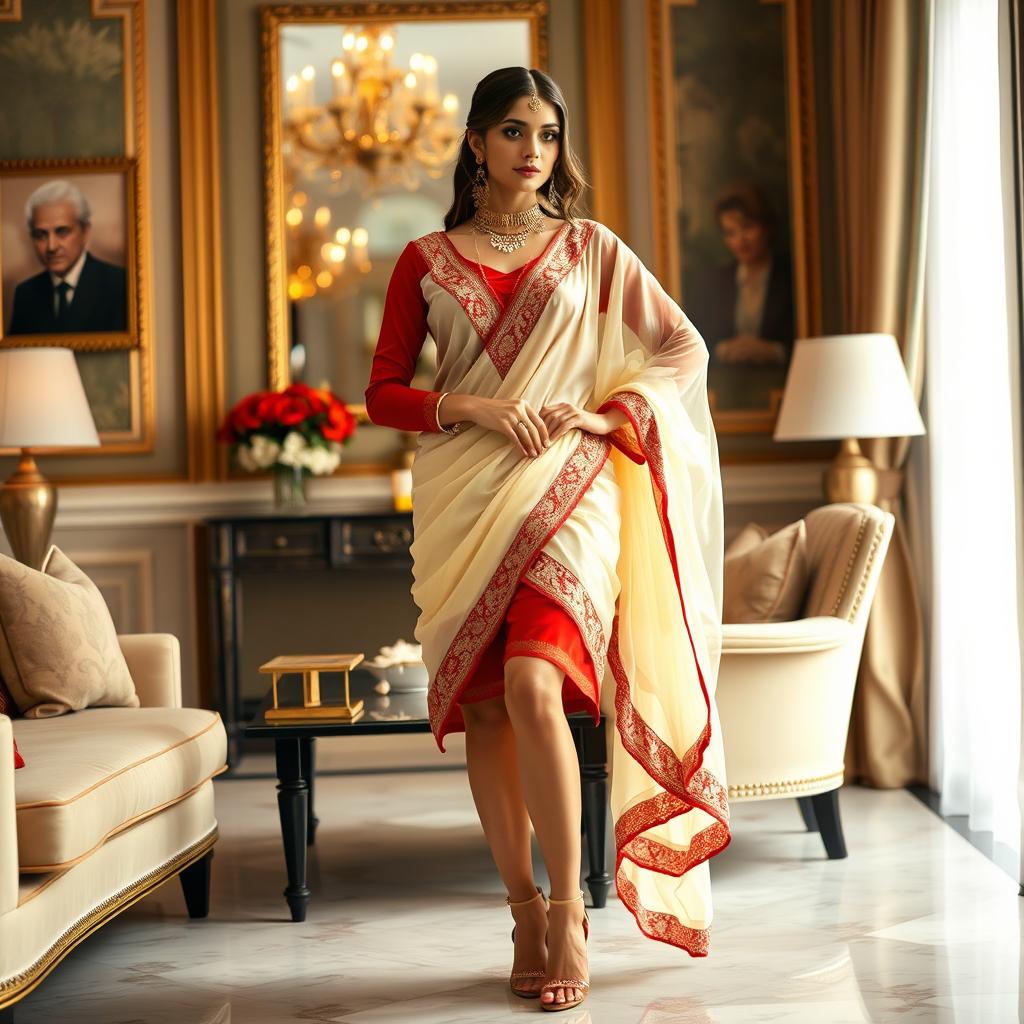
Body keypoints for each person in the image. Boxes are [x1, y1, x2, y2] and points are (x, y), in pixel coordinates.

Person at [365, 67, 729, 1013]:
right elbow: (383, 392)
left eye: (551, 135)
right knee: (486, 708)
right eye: (517, 132)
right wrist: (477, 406)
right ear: (478, 144)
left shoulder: (592, 250)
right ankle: (521, 906)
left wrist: (612, 421)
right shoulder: (423, 259)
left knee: (533, 683)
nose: (536, 151)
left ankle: (570, 908)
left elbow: (682, 347)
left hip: (572, 491)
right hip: (464, 498)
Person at [691, 182, 794, 412]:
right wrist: (722, 349)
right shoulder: (713, 282)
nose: (740, 240)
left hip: (785, 395)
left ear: (766, 227)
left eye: (747, 227)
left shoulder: (791, 278)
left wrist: (773, 351)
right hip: (726, 394)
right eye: (730, 232)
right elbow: (697, 340)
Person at [7, 180, 127, 335]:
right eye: (41, 235)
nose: (51, 246)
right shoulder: (25, 294)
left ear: (85, 232)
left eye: (62, 232)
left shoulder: (119, 284)